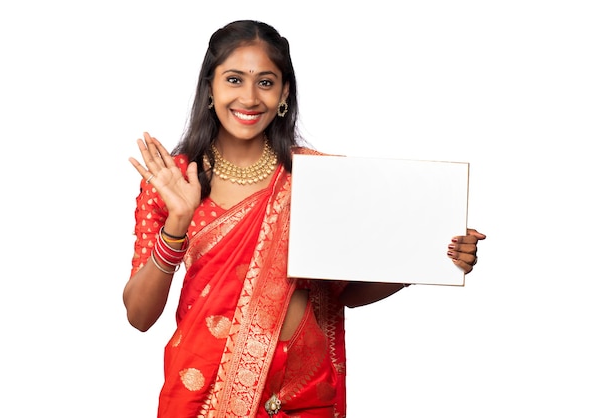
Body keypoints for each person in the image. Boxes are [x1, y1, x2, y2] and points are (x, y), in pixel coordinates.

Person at [123, 20, 486, 418]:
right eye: (234, 80)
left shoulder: (317, 178)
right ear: (210, 88)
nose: (249, 97)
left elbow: (344, 291)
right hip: (207, 397)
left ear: (284, 92)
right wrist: (177, 222)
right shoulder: (175, 180)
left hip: (305, 396)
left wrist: (426, 256)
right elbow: (139, 316)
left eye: (265, 82)